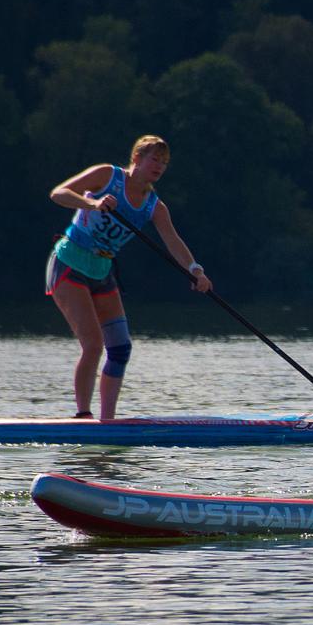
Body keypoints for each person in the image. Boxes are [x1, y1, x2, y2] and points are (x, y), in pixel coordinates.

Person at [44, 135, 211, 420]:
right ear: (136, 159)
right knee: (93, 344)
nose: (159, 167)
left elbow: (172, 240)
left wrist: (195, 270)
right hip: (69, 263)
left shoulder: (154, 206)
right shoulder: (107, 176)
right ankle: (83, 415)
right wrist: (93, 203)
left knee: (120, 348)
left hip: (102, 271)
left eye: (164, 163)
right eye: (154, 159)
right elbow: (59, 194)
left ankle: (108, 422)